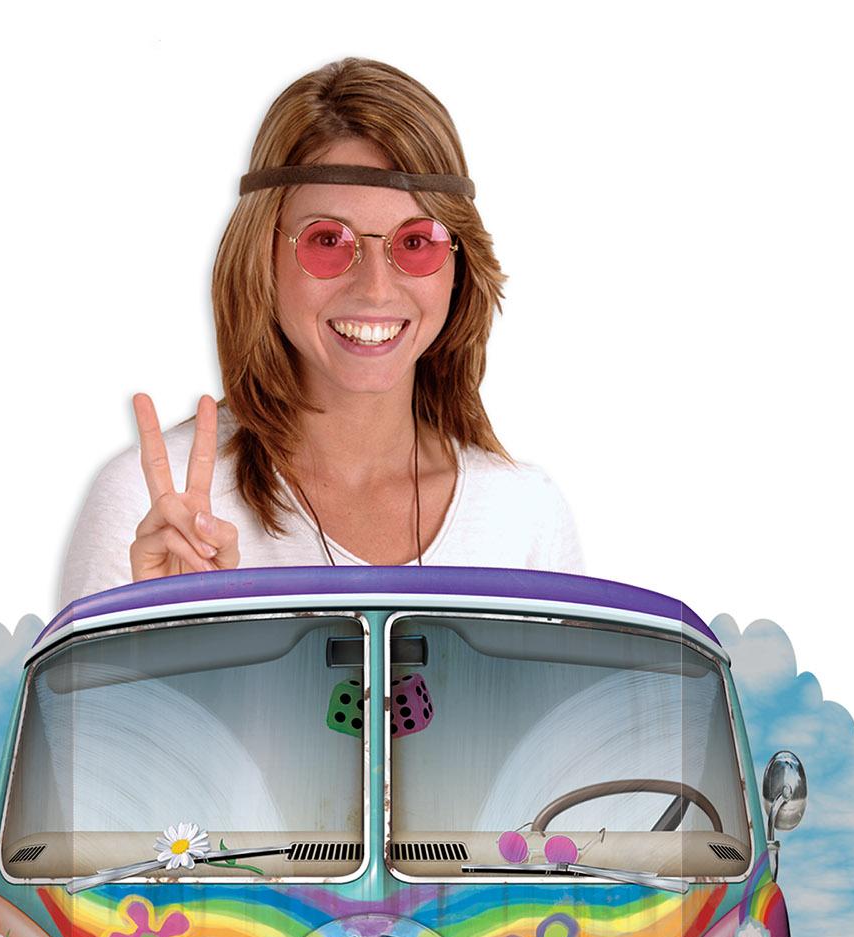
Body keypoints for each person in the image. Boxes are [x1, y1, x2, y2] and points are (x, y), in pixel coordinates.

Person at [60, 57, 584, 606]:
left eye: (416, 242)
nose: (376, 289)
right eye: (328, 241)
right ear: (261, 257)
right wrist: (162, 626)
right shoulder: (153, 510)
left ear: (458, 265)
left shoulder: (526, 515)